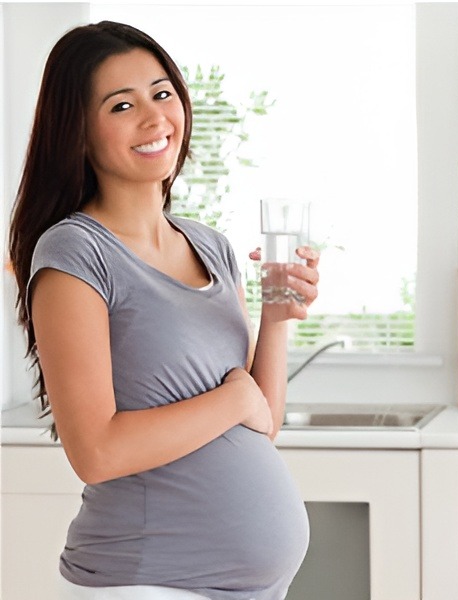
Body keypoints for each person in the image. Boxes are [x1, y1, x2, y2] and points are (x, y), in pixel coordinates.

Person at [7, 21, 318, 600]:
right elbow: (96, 453)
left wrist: (276, 319)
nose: (154, 118)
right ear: (79, 130)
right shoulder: (76, 250)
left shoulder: (212, 247)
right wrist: (233, 396)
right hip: (146, 581)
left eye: (162, 93)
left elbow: (260, 421)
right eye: (122, 105)